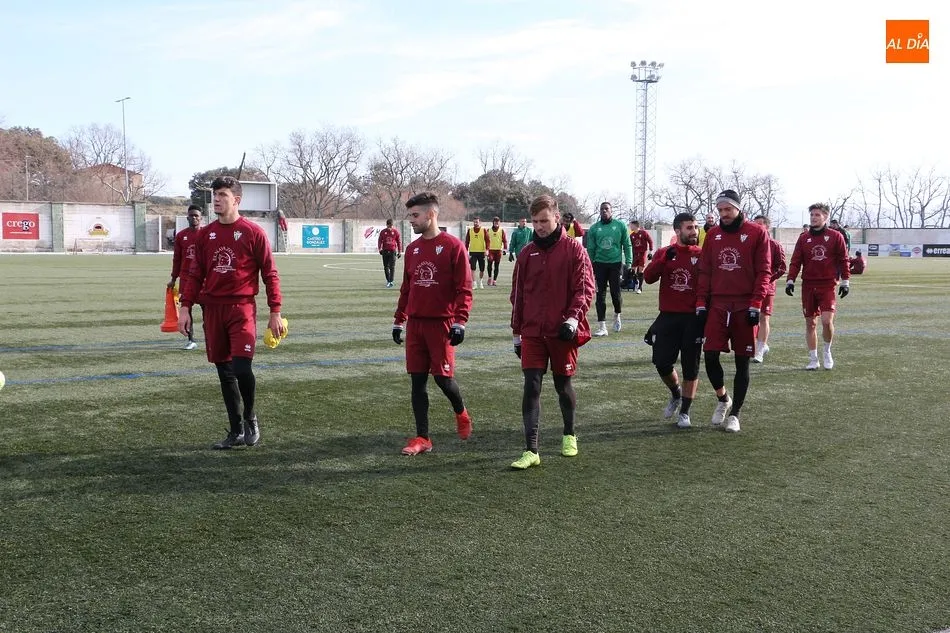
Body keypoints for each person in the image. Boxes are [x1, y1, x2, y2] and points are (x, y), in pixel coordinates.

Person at [178, 176, 285, 450]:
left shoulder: (253, 232)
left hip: (242, 308)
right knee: (224, 372)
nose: (216, 199)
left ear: (236, 200)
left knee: (241, 367)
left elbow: (270, 273)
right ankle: (236, 430)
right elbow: (193, 274)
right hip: (213, 309)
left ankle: (250, 417)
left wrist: (275, 311)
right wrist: (185, 307)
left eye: (222, 194)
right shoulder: (205, 235)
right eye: (214, 194)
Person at [509, 194, 595, 469]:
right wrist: (516, 333)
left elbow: (584, 290)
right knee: (531, 385)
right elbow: (518, 296)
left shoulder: (574, 250)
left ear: (557, 218)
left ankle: (569, 434)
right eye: (535, 222)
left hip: (562, 332)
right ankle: (531, 450)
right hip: (533, 331)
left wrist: (572, 320)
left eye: (544, 220)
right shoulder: (526, 254)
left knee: (562, 385)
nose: (539, 227)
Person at [393, 192, 474, 456]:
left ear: (431, 214)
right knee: (417, 382)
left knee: (443, 379)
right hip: (416, 325)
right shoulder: (412, 249)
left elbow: (464, 289)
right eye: (410, 216)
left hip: (442, 324)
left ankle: (461, 412)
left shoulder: (453, 246)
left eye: (415, 215)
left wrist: (460, 321)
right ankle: (422, 437)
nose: (411, 221)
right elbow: (407, 288)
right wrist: (399, 320)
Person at [696, 190, 771, 434]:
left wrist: (756, 304)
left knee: (742, 362)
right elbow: (705, 271)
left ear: (738, 208)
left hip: (744, 305)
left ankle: (735, 414)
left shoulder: (757, 232)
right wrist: (700, 302)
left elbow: (764, 271)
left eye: (728, 209)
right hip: (718, 304)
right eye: (720, 210)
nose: (723, 214)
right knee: (710, 355)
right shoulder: (713, 234)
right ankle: (723, 399)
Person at [642, 212, 703, 429]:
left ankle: (685, 411)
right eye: (689, 228)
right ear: (678, 230)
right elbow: (648, 278)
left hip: (693, 319)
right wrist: (662, 261)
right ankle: (676, 394)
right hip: (668, 317)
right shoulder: (664, 253)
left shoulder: (702, 254)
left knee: (691, 367)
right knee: (661, 362)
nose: (694, 231)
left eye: (695, 227)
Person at [785, 203, 851, 370]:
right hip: (808, 285)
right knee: (810, 323)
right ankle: (813, 359)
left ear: (825, 217)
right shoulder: (803, 238)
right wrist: (790, 279)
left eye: (817, 215)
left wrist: (845, 282)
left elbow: (844, 260)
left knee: (827, 321)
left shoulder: (836, 236)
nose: (814, 218)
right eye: (812, 215)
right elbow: (796, 261)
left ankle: (827, 351)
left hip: (828, 284)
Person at [586, 201, 632, 336]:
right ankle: (602, 327)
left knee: (615, 294)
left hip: (616, 264)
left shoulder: (620, 225)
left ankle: (617, 315)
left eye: (606, 209)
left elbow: (627, 244)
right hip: (599, 264)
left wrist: (628, 263)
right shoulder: (594, 228)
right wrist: (590, 266)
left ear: (611, 211)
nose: (604, 211)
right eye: (602, 209)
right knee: (600, 295)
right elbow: (591, 249)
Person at [751, 215, 787, 363]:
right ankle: (759, 345)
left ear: (767, 227)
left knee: (764, 317)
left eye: (760, 224)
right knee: (752, 318)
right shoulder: (750, 244)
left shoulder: (775, 245)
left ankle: (759, 350)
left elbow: (782, 267)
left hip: (766, 288)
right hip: (751, 287)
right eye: (755, 225)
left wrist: (767, 280)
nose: (757, 227)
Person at [168, 204, 203, 350]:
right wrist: (173, 278)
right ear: (187, 217)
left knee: (207, 307)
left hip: (203, 279)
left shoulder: (207, 234)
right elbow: (177, 259)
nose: (194, 218)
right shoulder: (181, 236)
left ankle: (212, 336)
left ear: (201, 218)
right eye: (191, 215)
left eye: (196, 215)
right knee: (186, 309)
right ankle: (191, 339)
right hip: (186, 279)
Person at [628, 220, 654, 293]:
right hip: (635, 254)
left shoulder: (643, 233)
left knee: (640, 270)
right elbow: (631, 245)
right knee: (632, 271)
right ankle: (636, 282)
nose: (630, 227)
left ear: (635, 226)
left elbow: (650, 241)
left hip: (642, 253)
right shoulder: (631, 235)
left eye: (631, 225)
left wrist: (650, 252)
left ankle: (639, 288)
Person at [464, 216, 490, 289]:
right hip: (473, 252)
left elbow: (488, 241)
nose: (475, 223)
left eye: (477, 222)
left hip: (482, 252)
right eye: (474, 222)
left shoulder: (483, 230)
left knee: (482, 269)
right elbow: (467, 242)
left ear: (480, 222)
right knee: (473, 268)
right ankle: (474, 283)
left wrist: (487, 250)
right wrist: (466, 251)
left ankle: (481, 282)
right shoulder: (470, 230)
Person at [377, 218, 402, 288]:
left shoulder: (396, 232)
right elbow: (380, 241)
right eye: (389, 226)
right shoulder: (383, 232)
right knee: (386, 267)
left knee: (392, 267)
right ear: (387, 225)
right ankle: (388, 280)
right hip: (385, 251)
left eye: (391, 226)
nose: (390, 228)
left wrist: (399, 251)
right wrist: (380, 249)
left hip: (392, 251)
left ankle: (391, 281)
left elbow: (399, 242)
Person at [486, 216, 508, 286]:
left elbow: (504, 241)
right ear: (493, 222)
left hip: (498, 251)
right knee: (489, 264)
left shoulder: (501, 231)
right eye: (495, 222)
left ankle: (494, 280)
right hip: (490, 251)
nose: (496, 223)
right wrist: (486, 249)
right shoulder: (488, 230)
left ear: (499, 223)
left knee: (496, 266)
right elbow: (485, 240)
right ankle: (489, 277)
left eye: (498, 222)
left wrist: (505, 249)